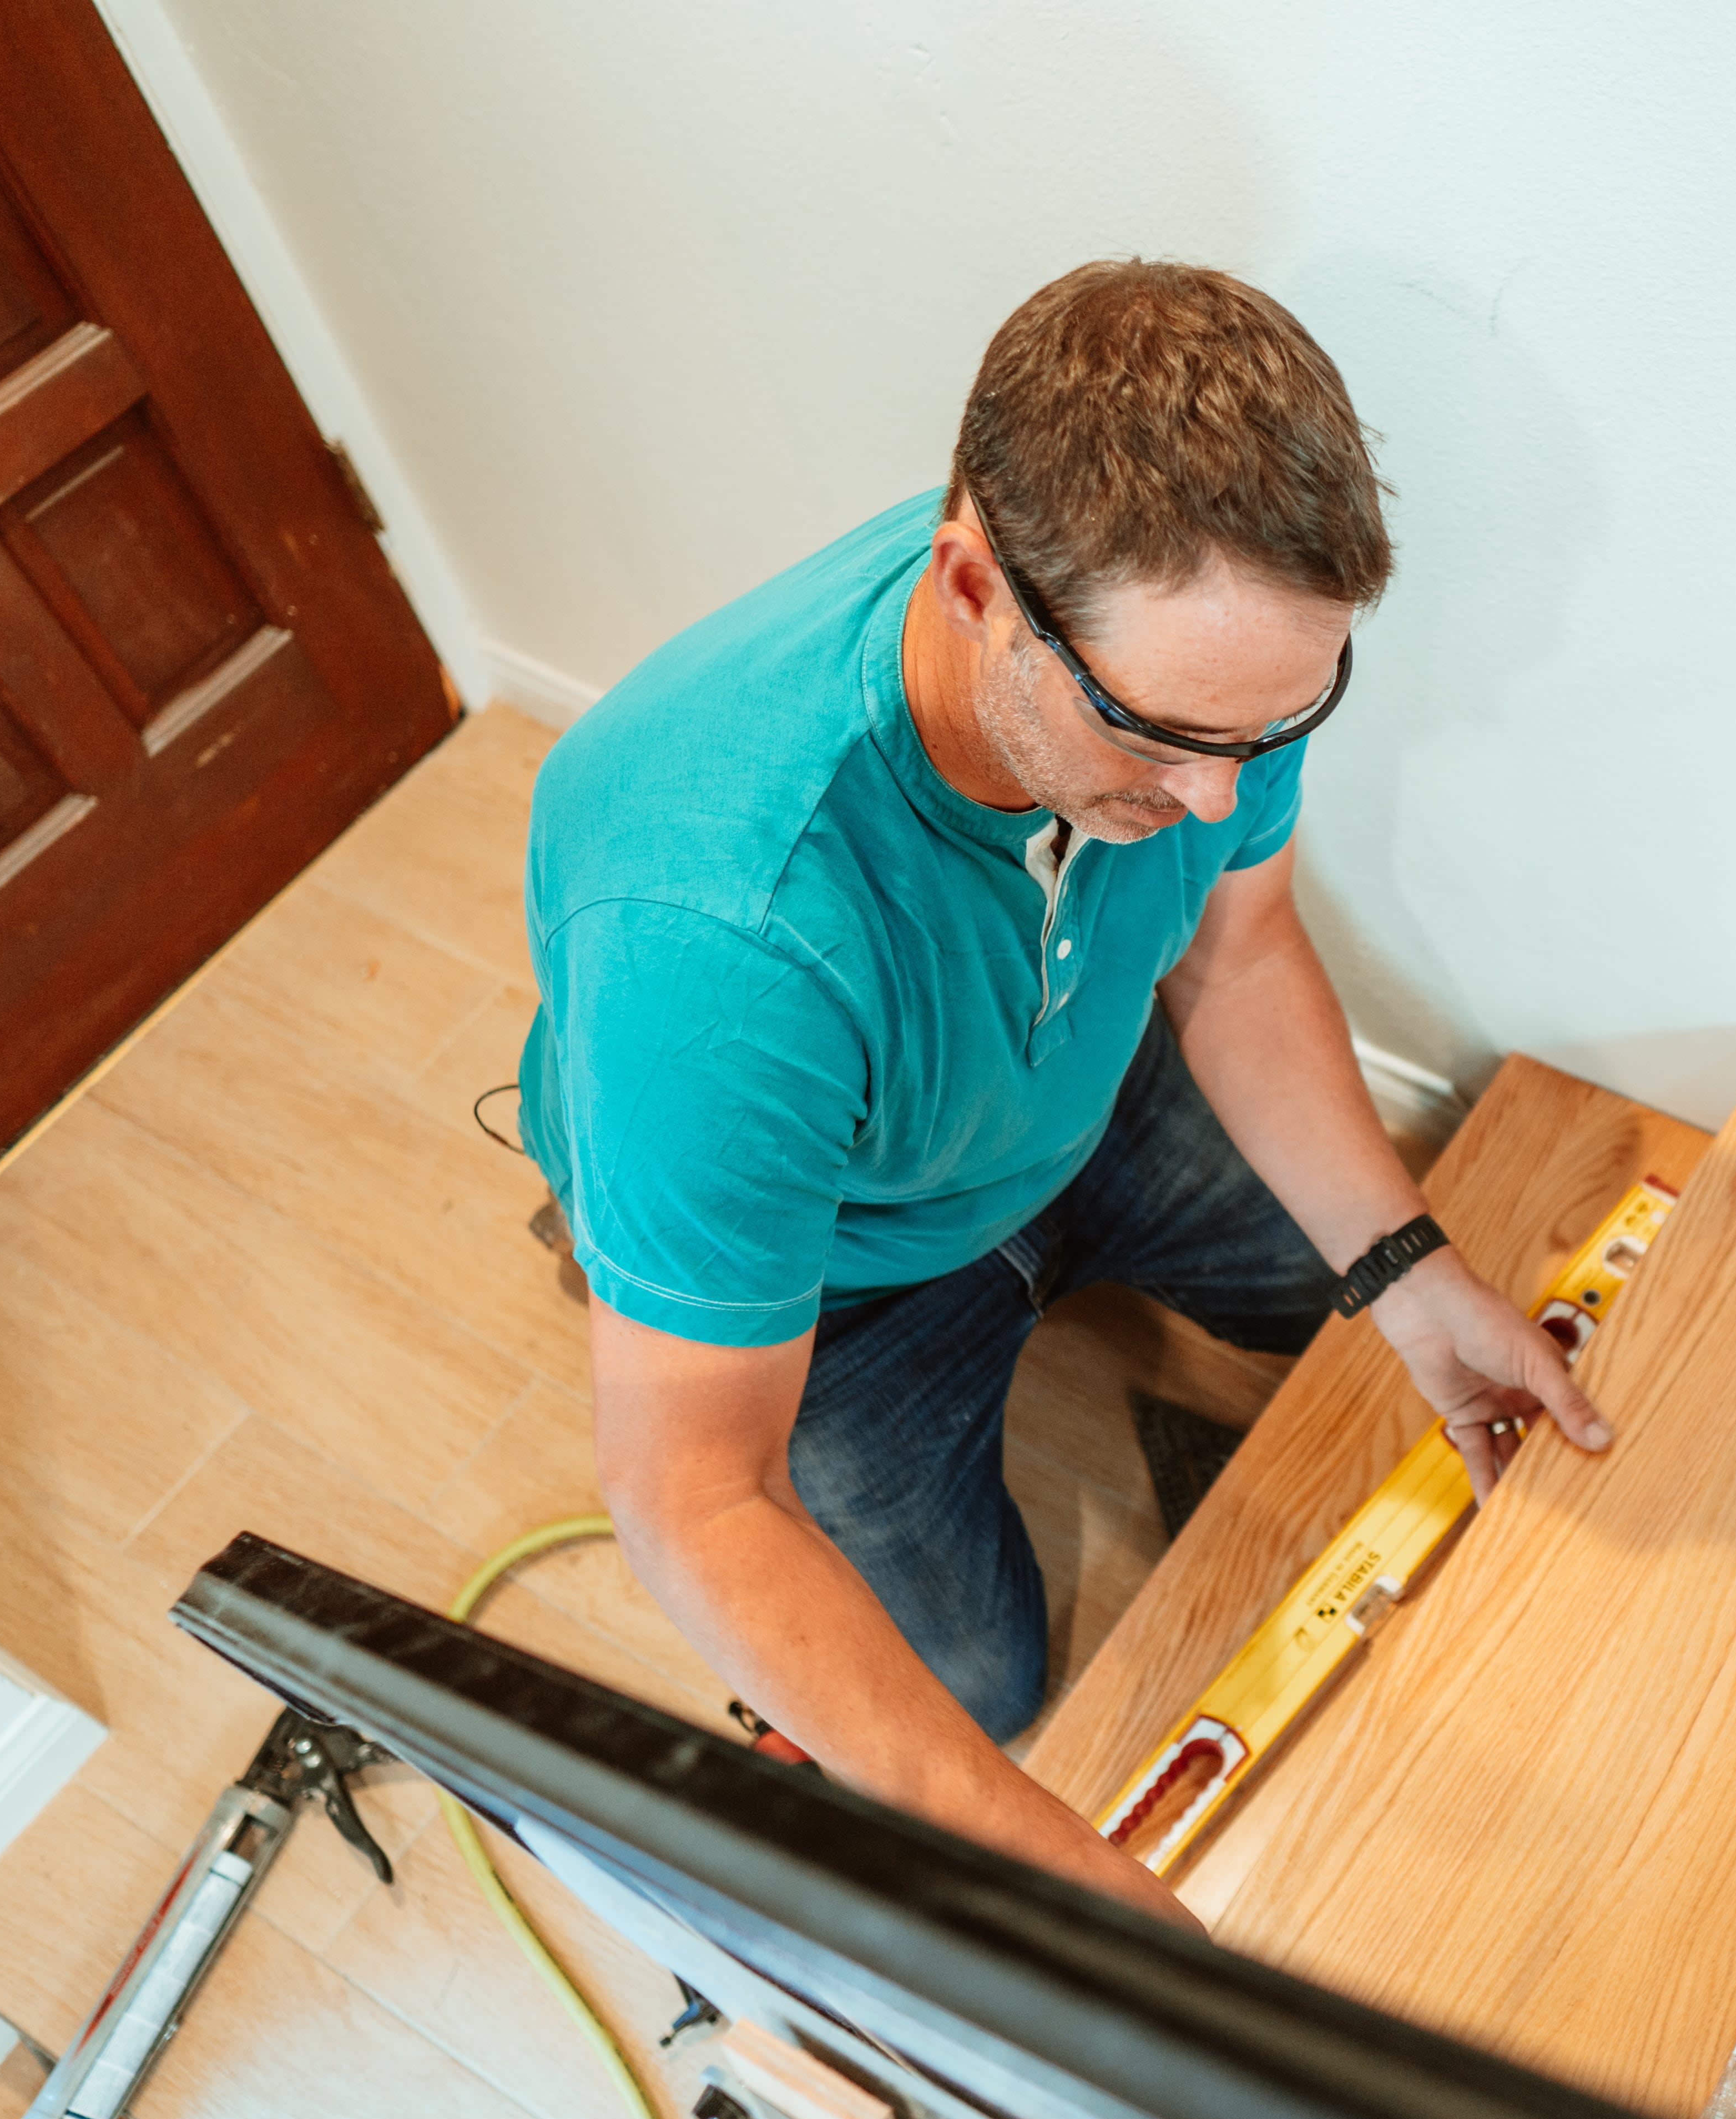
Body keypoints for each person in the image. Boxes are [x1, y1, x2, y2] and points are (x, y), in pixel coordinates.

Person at [514, 261, 1608, 1934]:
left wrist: (1411, 1274)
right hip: (856, 1272)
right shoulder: (716, 936)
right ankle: (670, 1236)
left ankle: (783, 1216)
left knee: (1392, 1311)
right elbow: (690, 1495)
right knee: (976, 1689)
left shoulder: (1210, 664)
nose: (1220, 794)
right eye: (1163, 741)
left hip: (1074, 1095)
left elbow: (1235, 962)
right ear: (971, 586)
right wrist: (1043, 1866)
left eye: (1275, 727)